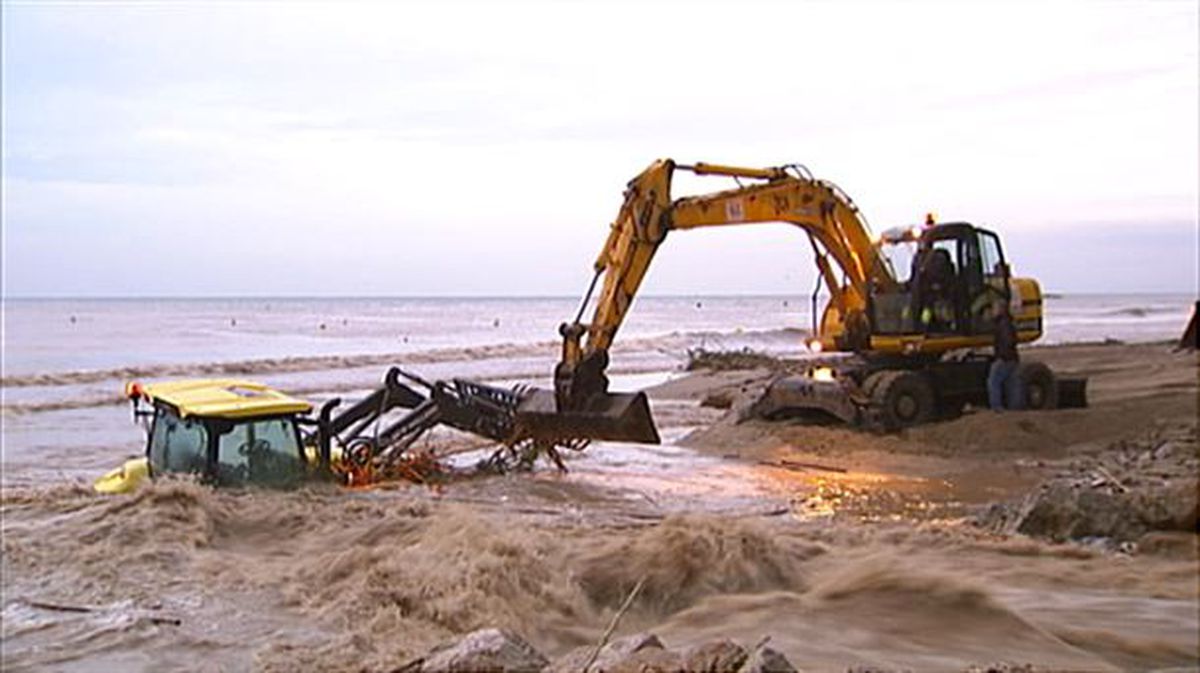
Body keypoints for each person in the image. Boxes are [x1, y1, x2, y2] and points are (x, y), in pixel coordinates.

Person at [988, 297, 1022, 411]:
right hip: (1013, 357)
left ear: (1000, 309)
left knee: (993, 381)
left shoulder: (1003, 324)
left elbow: (1008, 341)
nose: (992, 311)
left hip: (1005, 358)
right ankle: (1015, 408)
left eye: (994, 309)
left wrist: (1002, 356)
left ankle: (997, 408)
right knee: (1012, 384)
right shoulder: (1009, 322)